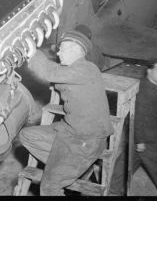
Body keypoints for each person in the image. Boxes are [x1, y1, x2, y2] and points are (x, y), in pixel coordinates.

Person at [18, 28, 113, 195]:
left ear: (76, 50)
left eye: (62, 48)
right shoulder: (74, 71)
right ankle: (62, 167)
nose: (58, 53)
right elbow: (56, 74)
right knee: (27, 136)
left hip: (87, 140)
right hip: (70, 132)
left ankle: (61, 171)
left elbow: (50, 72)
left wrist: (31, 49)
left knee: (48, 187)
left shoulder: (87, 69)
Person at [109, 59, 157, 197]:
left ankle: (112, 191)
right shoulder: (145, 91)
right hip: (147, 139)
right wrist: (140, 140)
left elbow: (156, 109)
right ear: (149, 70)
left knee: (125, 164)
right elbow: (138, 117)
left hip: (139, 137)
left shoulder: (153, 87)